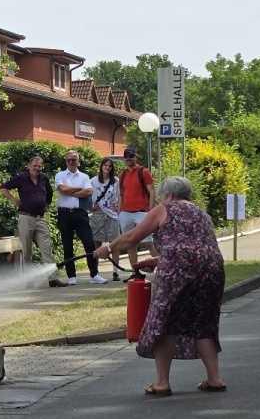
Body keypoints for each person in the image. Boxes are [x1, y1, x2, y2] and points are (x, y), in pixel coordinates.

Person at [94, 176, 226, 396]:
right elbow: (194, 248)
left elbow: (132, 237)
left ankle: (162, 383)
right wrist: (156, 261)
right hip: (212, 269)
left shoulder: (164, 208)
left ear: (169, 194)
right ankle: (215, 379)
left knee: (164, 322)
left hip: (177, 271)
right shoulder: (201, 213)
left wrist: (108, 248)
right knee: (205, 323)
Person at [53, 150, 104, 286]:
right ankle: (71, 276)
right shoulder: (60, 175)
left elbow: (88, 191)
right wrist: (78, 190)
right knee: (67, 245)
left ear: (78, 161)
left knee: (89, 243)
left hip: (80, 213)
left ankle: (94, 274)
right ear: (66, 161)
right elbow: (62, 190)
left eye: (74, 159)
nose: (71, 162)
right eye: (69, 160)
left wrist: (70, 191)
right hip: (64, 213)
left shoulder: (84, 176)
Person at [0, 155, 54, 276]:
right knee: (26, 251)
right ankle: (28, 279)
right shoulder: (21, 178)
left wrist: (46, 205)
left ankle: (53, 278)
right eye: (35, 166)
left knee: (47, 248)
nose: (37, 168)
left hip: (40, 219)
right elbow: (3, 188)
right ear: (29, 166)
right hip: (26, 218)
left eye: (40, 166)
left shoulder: (44, 178)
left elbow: (49, 195)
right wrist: (14, 200)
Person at [117, 147, 157, 281]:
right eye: (127, 157)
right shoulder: (122, 174)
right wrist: (120, 210)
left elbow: (151, 190)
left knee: (148, 242)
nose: (129, 159)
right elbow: (121, 194)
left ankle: (162, 270)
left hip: (142, 212)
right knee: (130, 243)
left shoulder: (143, 171)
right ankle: (136, 272)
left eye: (131, 156)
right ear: (124, 159)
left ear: (136, 157)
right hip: (126, 212)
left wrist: (150, 210)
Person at [90, 157, 123, 282]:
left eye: (110, 166)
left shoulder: (115, 181)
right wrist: (91, 207)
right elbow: (88, 197)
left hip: (112, 215)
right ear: (101, 166)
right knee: (96, 243)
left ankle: (115, 271)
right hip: (98, 214)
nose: (107, 168)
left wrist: (118, 210)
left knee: (115, 243)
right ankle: (95, 272)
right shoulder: (93, 181)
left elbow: (119, 197)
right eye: (105, 165)